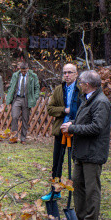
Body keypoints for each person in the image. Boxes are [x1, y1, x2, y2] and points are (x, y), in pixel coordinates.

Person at [61, 70, 111, 220]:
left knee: (91, 189)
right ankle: (80, 216)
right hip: (82, 151)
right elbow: (85, 120)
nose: (79, 85)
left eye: (81, 83)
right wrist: (71, 124)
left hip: (93, 153)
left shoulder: (101, 102)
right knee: (78, 185)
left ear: (87, 85)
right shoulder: (88, 99)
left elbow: (96, 127)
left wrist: (73, 128)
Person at [41, 64, 82, 201]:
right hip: (61, 130)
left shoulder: (81, 90)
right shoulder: (59, 90)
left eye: (70, 72)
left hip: (77, 131)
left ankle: (76, 192)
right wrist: (64, 110)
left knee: (76, 163)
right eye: (64, 72)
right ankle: (55, 191)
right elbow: (50, 109)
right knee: (57, 162)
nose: (67, 75)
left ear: (76, 74)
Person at [6, 62, 40, 144]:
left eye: (25, 71)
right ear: (20, 69)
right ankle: (14, 137)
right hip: (17, 98)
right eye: (22, 71)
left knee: (25, 119)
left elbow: (37, 88)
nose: (23, 72)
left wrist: (34, 98)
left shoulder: (33, 76)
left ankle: (23, 138)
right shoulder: (16, 75)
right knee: (14, 116)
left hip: (27, 99)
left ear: (28, 69)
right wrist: (9, 96)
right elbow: (11, 86)